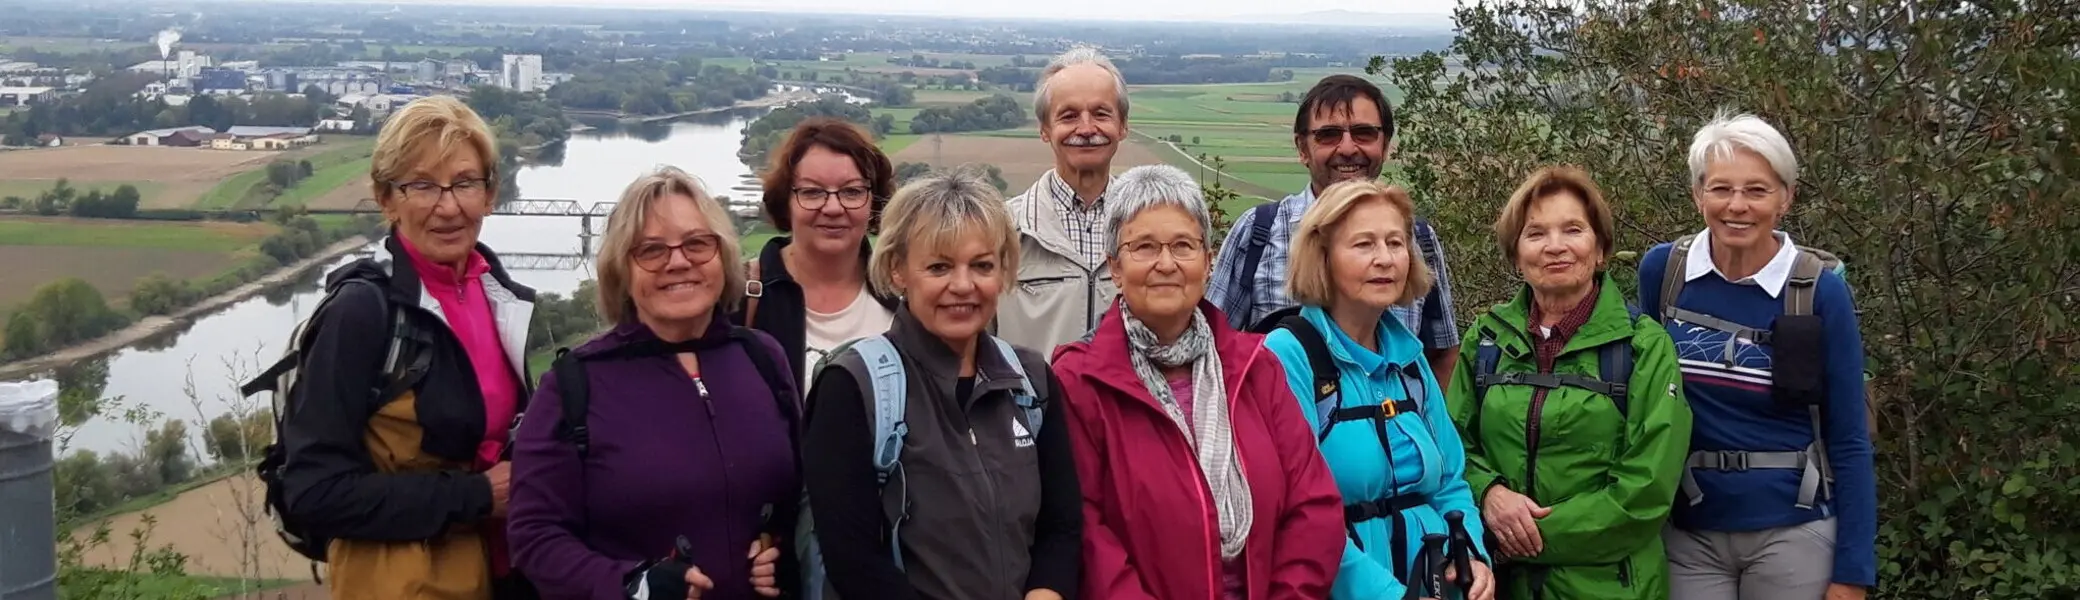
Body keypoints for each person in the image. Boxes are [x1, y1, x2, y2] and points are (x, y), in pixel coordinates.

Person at [278, 95, 538, 599]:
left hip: (502, 573)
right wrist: (478, 496)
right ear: (385, 197)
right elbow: (312, 492)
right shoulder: (361, 313)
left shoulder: (497, 297)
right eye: (422, 185)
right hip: (404, 584)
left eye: (465, 183)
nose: (448, 206)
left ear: (490, 194)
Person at [1051, 164, 1344, 600]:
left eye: (1183, 246)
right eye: (1144, 247)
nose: (1165, 263)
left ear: (1208, 262)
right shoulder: (1080, 379)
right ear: (1114, 266)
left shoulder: (1255, 366)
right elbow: (1089, 532)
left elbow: (1313, 504)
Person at [508, 167, 799, 600]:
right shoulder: (574, 385)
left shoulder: (761, 357)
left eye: (698, 244)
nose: (678, 261)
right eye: (651, 250)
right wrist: (634, 585)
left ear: (723, 256)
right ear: (622, 270)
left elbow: (795, 493)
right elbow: (534, 536)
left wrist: (776, 544)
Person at [800, 169, 1082, 600]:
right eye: (939, 266)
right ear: (898, 271)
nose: (963, 285)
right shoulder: (854, 386)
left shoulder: (1031, 381)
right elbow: (852, 560)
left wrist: (1046, 592)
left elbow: (1061, 526)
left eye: (982, 265)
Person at [1638, 112, 1875, 600]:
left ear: (1786, 198)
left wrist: (1853, 572)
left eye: (1757, 190)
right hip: (1687, 532)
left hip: (1794, 528)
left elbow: (1849, 438)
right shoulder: (1664, 273)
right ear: (1697, 195)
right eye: (1721, 189)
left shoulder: (1819, 293)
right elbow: (1642, 399)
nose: (1737, 206)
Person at [1445, 167, 1692, 599]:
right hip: (1501, 589)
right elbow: (1450, 447)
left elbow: (1645, 492)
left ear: (1600, 250)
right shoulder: (1485, 339)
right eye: (1535, 233)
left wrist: (1516, 540)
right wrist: (1489, 494)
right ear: (1516, 255)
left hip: (1610, 586)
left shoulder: (1643, 347)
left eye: (1573, 229)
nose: (1554, 246)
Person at [1260, 180, 1494, 600]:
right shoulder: (1289, 355)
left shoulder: (1409, 358)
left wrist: (1473, 556)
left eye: (1395, 242)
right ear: (1323, 256)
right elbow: (1295, 512)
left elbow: (1450, 482)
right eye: (1364, 244)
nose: (1385, 259)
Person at [1207, 74, 1462, 384]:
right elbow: (1213, 347)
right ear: (1302, 148)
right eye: (1328, 135)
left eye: (1364, 133)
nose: (1347, 148)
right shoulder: (1259, 231)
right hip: (1283, 427)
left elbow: (1442, 353)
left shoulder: (1417, 238)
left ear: (1386, 145)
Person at [735, 117, 900, 387]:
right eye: (812, 192)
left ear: (874, 201)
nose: (833, 208)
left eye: (852, 191)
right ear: (786, 202)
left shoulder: (906, 293)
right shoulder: (740, 296)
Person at [998, 47, 1129, 352]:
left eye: (1101, 114)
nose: (1086, 129)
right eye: (1068, 116)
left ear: (1123, 126)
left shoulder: (1150, 229)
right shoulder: (1001, 231)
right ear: (1045, 129)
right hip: (1031, 400)